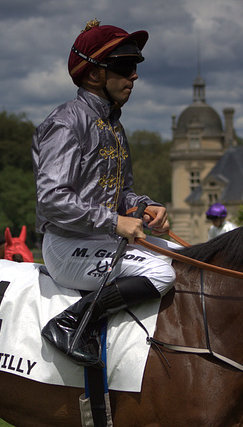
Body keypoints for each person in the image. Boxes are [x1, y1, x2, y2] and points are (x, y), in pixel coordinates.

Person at [32, 19, 176, 367]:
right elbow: (51, 200)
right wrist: (114, 222)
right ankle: (72, 324)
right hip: (66, 247)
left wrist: (145, 206)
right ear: (95, 74)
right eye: (125, 67)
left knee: (191, 259)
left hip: (99, 240)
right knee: (162, 274)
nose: (134, 76)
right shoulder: (66, 122)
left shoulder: (113, 125)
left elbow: (119, 192)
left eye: (135, 68)